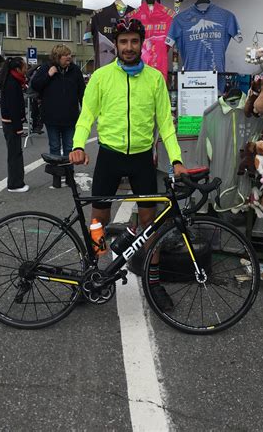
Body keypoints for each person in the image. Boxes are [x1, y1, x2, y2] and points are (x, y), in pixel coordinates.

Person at [69, 18, 187, 310]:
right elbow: (87, 116)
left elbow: (166, 125)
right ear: (116, 45)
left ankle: (154, 284)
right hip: (110, 155)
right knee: (97, 221)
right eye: (124, 42)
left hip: (142, 159)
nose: (129, 47)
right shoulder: (101, 76)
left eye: (134, 41)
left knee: (150, 224)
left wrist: (177, 160)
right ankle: (92, 273)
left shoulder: (154, 79)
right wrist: (78, 145)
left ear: (141, 43)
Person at [32, 45, 85, 188]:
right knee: (54, 148)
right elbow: (35, 85)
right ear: (57, 57)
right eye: (65, 56)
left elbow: (82, 92)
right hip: (51, 117)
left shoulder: (75, 71)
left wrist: (85, 111)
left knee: (69, 148)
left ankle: (69, 177)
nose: (69, 58)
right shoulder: (46, 68)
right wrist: (48, 75)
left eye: (70, 55)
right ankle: (56, 178)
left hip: (70, 117)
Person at [0, 56, 29, 193]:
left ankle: (16, 182)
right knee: (15, 154)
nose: (26, 69)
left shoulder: (12, 80)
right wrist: (18, 127)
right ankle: (15, 184)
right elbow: (13, 107)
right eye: (24, 66)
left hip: (10, 123)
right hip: (11, 124)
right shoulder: (12, 82)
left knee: (15, 153)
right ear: (17, 68)